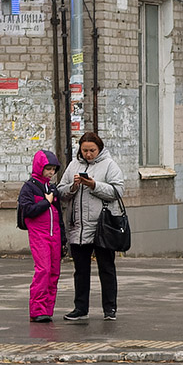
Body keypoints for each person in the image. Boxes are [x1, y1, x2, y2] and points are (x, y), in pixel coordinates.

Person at [58, 131, 124, 321]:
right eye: (85, 150)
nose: (88, 154)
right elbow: (61, 190)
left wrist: (94, 185)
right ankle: (80, 308)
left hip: (102, 228)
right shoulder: (73, 165)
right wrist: (73, 186)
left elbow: (118, 190)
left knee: (107, 268)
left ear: (99, 149)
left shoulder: (109, 165)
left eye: (92, 150)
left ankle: (110, 309)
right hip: (78, 228)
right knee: (80, 270)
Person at [18, 150, 63, 322]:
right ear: (39, 167)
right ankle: (37, 310)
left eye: (53, 169)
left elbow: (58, 215)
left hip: (55, 235)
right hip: (39, 235)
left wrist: (63, 238)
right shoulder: (29, 187)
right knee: (43, 270)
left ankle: (47, 310)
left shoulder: (52, 188)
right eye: (48, 169)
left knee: (54, 272)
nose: (51, 173)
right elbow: (27, 210)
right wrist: (46, 202)